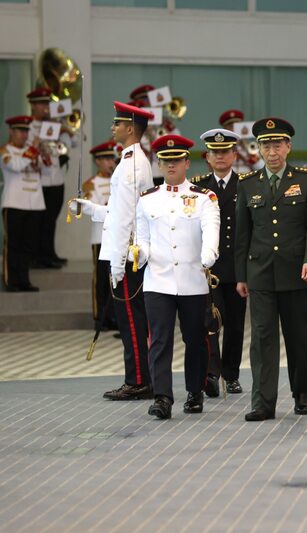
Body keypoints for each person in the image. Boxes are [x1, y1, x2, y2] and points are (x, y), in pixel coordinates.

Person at [234, 117, 307, 421]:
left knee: (299, 337)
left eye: (277, 145)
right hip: (260, 274)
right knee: (262, 339)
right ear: (258, 148)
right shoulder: (248, 184)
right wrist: (240, 276)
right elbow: (242, 235)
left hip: (297, 273)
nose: (271, 152)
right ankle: (263, 403)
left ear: (288, 146)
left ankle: (300, 393)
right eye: (265, 145)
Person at [72, 101, 154, 401]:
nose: (113, 128)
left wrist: (119, 261)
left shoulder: (132, 164)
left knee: (131, 319)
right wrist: (92, 208)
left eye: (117, 124)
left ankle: (139, 381)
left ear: (130, 128)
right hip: (124, 251)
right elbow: (119, 211)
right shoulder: (130, 160)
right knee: (130, 317)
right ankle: (139, 377)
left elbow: (128, 218)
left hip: (126, 254)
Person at [136, 134, 220, 420]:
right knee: (159, 339)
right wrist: (140, 252)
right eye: (164, 161)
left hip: (192, 278)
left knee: (195, 338)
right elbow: (143, 236)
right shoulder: (147, 199)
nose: (170, 165)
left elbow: (211, 228)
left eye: (176, 160)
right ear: (158, 163)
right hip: (157, 280)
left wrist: (209, 252)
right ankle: (162, 396)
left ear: (186, 162)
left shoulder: (202, 198)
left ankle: (195, 392)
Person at [192, 128, 247, 397]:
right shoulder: (199, 188)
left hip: (237, 268)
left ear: (234, 155)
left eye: (225, 152)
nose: (221, 157)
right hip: (208, 268)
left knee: (236, 324)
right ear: (208, 157)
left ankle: (231, 374)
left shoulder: (246, 184)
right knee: (210, 321)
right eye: (215, 153)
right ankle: (211, 374)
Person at [1, 115, 50, 291]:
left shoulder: (32, 151)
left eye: (26, 131)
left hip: (35, 204)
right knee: (13, 244)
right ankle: (10, 281)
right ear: (11, 132)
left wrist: (44, 153)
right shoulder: (5, 151)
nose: (23, 134)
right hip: (14, 204)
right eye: (20, 131)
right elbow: (16, 165)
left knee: (29, 245)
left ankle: (24, 280)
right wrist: (33, 150)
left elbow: (47, 169)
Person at [27, 87, 74, 269]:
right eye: (41, 104)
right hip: (40, 180)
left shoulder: (55, 125)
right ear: (33, 106)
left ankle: (49, 253)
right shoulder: (29, 127)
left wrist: (65, 130)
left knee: (51, 218)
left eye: (47, 103)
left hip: (56, 179)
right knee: (39, 220)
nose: (45, 107)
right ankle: (37, 256)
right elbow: (32, 148)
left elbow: (68, 145)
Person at [84, 141, 118, 330]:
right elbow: (93, 209)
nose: (110, 162)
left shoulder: (119, 180)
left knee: (116, 278)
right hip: (100, 236)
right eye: (105, 159)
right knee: (101, 279)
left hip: (117, 236)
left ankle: (113, 316)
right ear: (97, 161)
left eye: (110, 158)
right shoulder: (91, 184)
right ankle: (100, 317)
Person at [218, 109, 264, 175]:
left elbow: (261, 168)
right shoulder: (219, 148)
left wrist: (247, 148)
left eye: (237, 126)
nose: (234, 129)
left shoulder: (251, 146)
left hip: (248, 182)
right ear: (224, 129)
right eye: (230, 126)